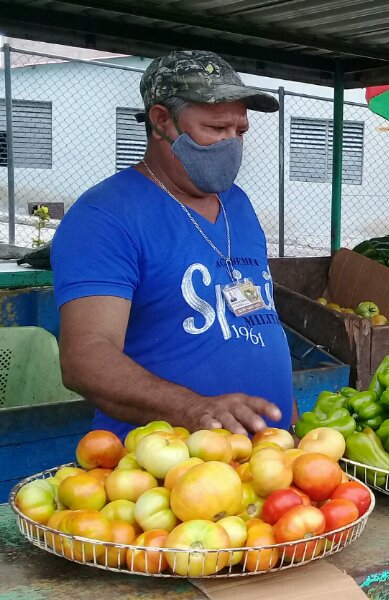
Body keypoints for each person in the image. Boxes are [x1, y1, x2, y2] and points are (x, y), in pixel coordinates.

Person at [52, 50, 293, 439]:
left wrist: (286, 406)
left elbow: (255, 313)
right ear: (161, 120)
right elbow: (85, 356)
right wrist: (194, 409)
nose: (232, 144)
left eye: (240, 131)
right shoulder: (105, 216)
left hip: (267, 458)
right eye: (216, 129)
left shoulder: (239, 204)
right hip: (166, 468)